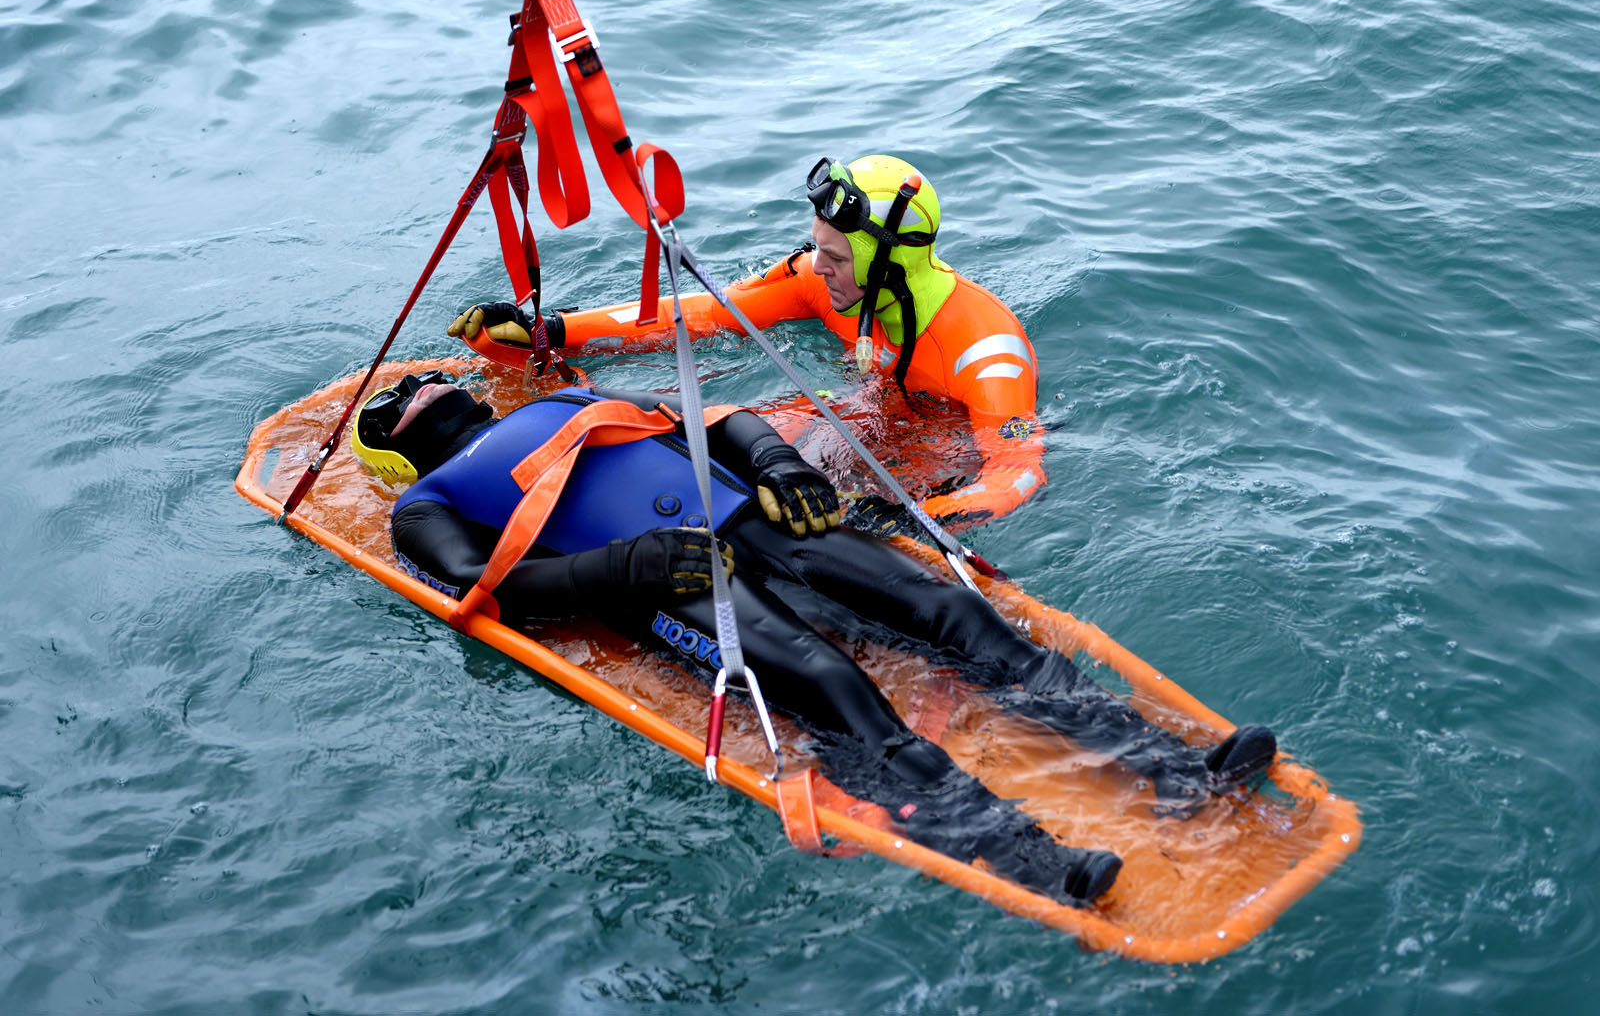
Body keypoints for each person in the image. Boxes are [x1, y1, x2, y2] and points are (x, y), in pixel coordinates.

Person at [352, 371, 1279, 906]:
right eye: (396, 396)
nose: (421, 380)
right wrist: (628, 568)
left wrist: (777, 461)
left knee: (947, 612)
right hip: (669, 578)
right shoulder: (421, 504)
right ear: (395, 442)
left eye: (424, 372)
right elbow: (496, 589)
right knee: (831, 684)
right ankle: (1036, 860)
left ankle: (1170, 767)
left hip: (755, 516)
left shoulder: (569, 396)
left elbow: (714, 416)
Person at [446, 155, 1046, 529]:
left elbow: (1017, 475)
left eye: (835, 258)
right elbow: (702, 314)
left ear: (888, 268)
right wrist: (554, 331)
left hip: (940, 460)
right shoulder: (821, 282)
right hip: (853, 418)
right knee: (728, 447)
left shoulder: (986, 348)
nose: (816, 268)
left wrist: (911, 522)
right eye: (819, 249)